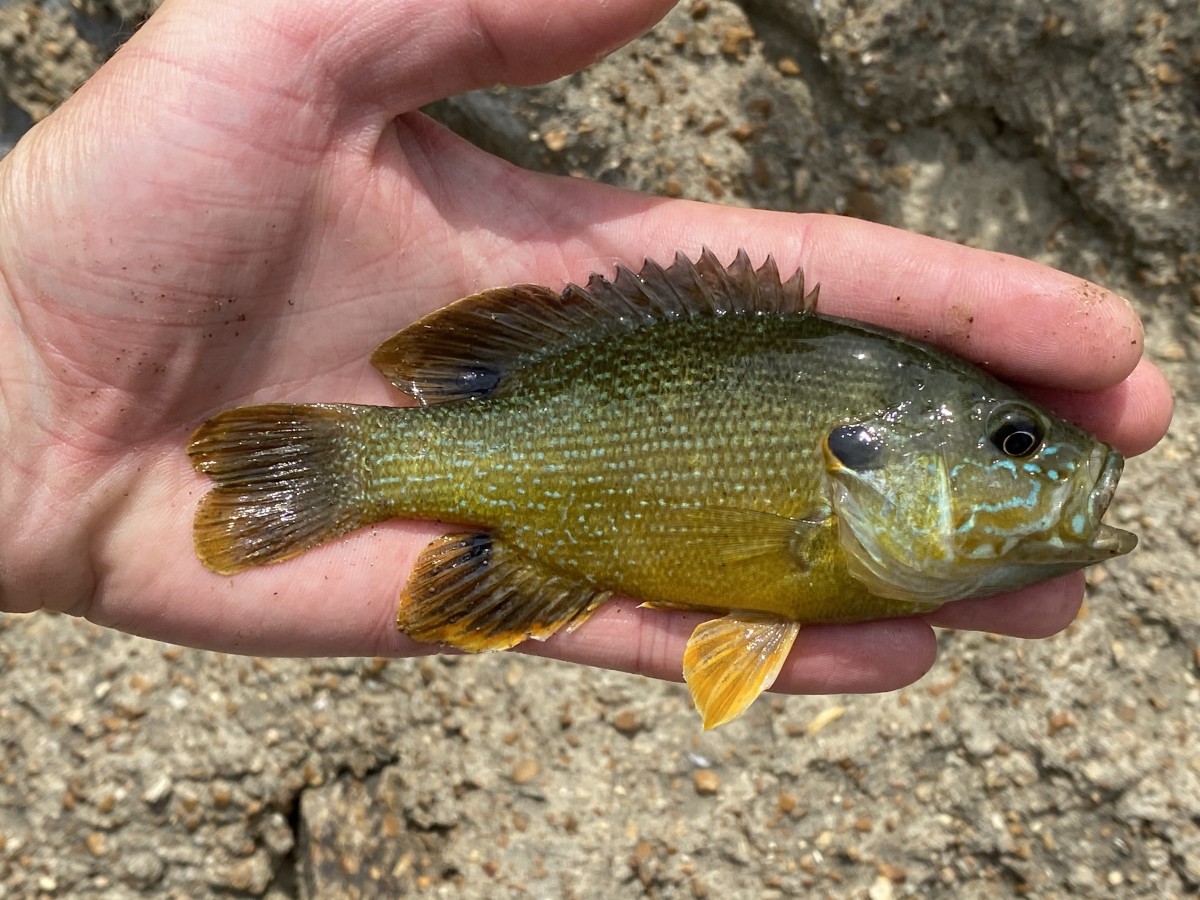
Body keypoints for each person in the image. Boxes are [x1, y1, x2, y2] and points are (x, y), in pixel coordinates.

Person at [0, 0, 1171, 696]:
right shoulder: (836, 497)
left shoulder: (856, 513)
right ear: (860, 459)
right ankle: (353, 469)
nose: (1042, 457)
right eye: (1013, 442)